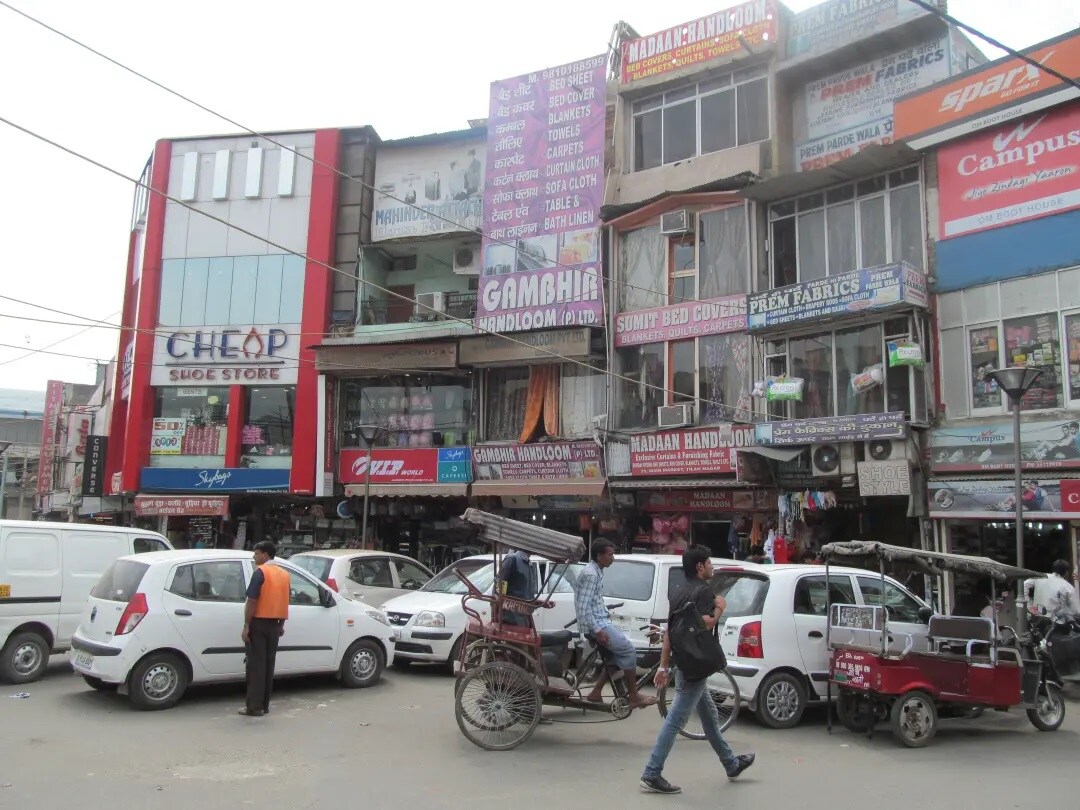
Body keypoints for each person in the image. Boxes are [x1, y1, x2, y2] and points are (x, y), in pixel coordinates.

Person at [640, 546, 755, 795]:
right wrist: (720, 608)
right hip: (695, 665)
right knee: (676, 719)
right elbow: (704, 624)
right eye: (710, 562)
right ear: (700, 567)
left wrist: (663, 664)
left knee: (710, 716)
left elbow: (671, 630)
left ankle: (731, 764)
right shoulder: (703, 591)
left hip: (685, 661)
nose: (713, 566)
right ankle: (652, 771)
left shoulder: (679, 591)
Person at [574, 540, 656, 708]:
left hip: (600, 621)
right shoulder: (591, 574)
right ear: (599, 555)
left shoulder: (596, 572)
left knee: (612, 658)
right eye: (610, 554)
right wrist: (597, 630)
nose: (613, 558)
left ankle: (596, 693)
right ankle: (633, 696)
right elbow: (584, 606)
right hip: (597, 625)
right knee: (628, 650)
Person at [239, 540, 290, 717]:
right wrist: (281, 625)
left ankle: (254, 707)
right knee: (269, 665)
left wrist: (246, 625)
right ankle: (265, 705)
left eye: (256, 553)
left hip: (259, 624)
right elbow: (285, 600)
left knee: (256, 666)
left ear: (265, 555)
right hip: (275, 625)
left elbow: (252, 600)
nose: (254, 556)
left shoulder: (260, 572)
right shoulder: (284, 574)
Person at [498, 548, 553, 626]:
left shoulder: (529, 564)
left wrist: (540, 603)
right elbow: (498, 588)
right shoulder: (512, 559)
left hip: (524, 619)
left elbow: (526, 596)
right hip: (510, 620)